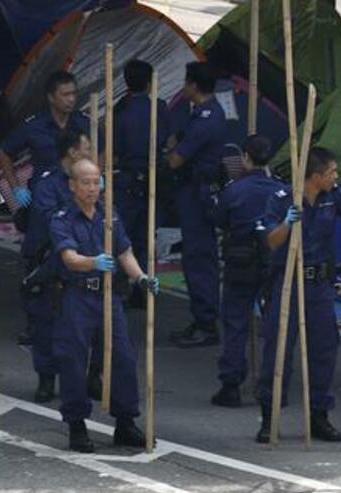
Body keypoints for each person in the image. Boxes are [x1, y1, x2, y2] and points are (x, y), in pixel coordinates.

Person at [255, 147, 341, 443]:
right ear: (315, 176)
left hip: (319, 286)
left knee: (324, 349)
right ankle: (270, 416)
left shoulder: (333, 195)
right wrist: (288, 223)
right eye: (331, 172)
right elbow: (271, 242)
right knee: (278, 350)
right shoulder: (281, 199)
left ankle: (319, 415)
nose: (336, 176)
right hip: (287, 283)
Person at [50, 158, 158, 453]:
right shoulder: (62, 218)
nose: (91, 188)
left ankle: (125, 421)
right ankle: (77, 425)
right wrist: (93, 262)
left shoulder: (110, 216)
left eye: (96, 182)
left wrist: (141, 278)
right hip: (78, 295)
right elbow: (69, 257)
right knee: (73, 359)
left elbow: (124, 252)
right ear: (72, 185)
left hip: (109, 296)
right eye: (85, 182)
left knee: (122, 356)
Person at [210, 135, 283, 408]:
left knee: (235, 322)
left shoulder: (234, 190)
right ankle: (272, 382)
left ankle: (231, 384)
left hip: (240, 260)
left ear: (245, 157)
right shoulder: (279, 190)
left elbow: (218, 220)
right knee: (274, 323)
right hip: (271, 261)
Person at [21, 130, 91, 403]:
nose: (90, 153)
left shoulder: (90, 181)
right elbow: (53, 221)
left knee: (80, 325)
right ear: (73, 152)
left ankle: (86, 377)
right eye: (86, 148)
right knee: (46, 324)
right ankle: (47, 378)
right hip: (50, 261)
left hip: (82, 262)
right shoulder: (48, 183)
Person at [166, 62, 227, 348]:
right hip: (195, 191)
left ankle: (206, 321)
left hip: (197, 194)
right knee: (196, 257)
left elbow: (176, 158)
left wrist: (170, 151)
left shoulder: (205, 119)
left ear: (193, 85)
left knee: (199, 257)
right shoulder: (206, 113)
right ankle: (201, 317)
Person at [114, 59, 169, 308]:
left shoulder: (121, 109)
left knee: (120, 236)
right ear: (150, 82)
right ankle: (142, 289)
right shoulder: (160, 107)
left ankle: (118, 287)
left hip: (126, 178)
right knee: (145, 237)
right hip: (152, 178)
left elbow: (114, 147)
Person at [0, 71, 93, 212]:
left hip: (76, 195)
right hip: (45, 198)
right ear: (51, 97)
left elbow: (104, 147)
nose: (72, 99)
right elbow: (4, 152)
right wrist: (17, 188)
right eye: (65, 95)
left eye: (74, 94)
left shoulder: (83, 122)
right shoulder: (34, 125)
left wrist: (98, 174)